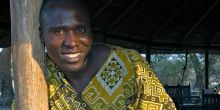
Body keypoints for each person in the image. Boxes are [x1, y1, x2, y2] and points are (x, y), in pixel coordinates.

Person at [39, 0, 176, 109]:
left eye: (81, 29)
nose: (72, 42)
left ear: (90, 32)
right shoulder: (39, 72)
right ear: (41, 35)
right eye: (58, 31)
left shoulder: (131, 66)